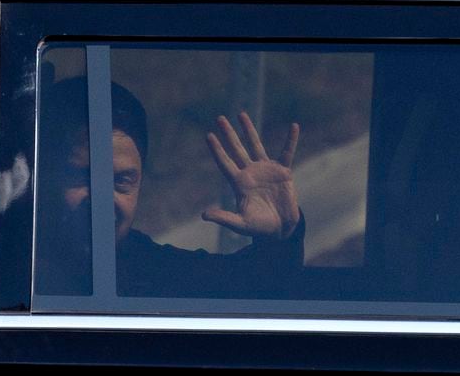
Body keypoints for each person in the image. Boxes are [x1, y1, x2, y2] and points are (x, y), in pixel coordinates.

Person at [35, 76, 304, 299]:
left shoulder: (157, 272)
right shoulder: (9, 270)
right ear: (44, 177)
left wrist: (279, 239)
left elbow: (255, 289)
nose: (103, 200)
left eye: (122, 181)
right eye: (82, 176)